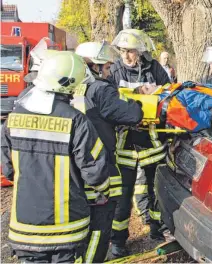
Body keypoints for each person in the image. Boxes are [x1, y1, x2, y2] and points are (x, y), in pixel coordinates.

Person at [1, 52, 110, 263]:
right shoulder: (76, 121)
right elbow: (96, 174)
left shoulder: (13, 120)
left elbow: (8, 169)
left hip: (25, 228)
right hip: (66, 229)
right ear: (69, 84)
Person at [74, 41, 144, 263]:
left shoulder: (71, 88)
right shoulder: (101, 89)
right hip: (99, 165)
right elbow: (132, 114)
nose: (108, 73)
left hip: (75, 168)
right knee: (99, 225)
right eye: (105, 68)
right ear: (94, 67)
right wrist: (135, 102)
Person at [109, 29, 170, 257]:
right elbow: (108, 98)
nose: (126, 56)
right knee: (122, 195)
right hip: (125, 142)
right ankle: (118, 241)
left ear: (140, 51)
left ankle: (156, 229)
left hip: (151, 142)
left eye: (131, 51)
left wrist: (157, 93)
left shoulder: (155, 69)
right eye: (123, 51)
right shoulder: (114, 70)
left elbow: (168, 94)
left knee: (154, 190)